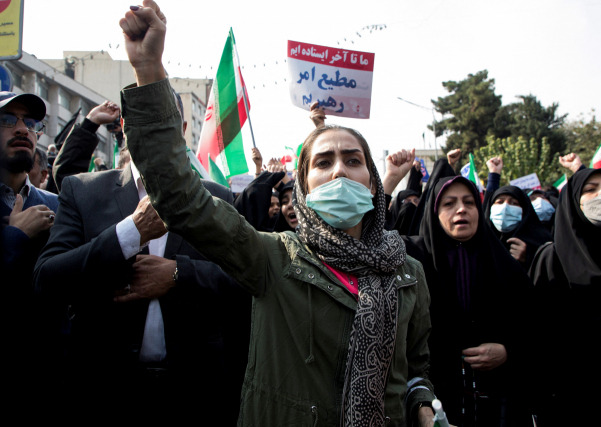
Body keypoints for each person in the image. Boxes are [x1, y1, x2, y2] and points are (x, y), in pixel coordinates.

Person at [119, 3, 436, 425]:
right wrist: (148, 69)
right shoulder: (272, 259)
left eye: (352, 159)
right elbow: (180, 196)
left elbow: (416, 368)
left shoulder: (408, 272)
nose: (339, 169)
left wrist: (423, 406)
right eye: (323, 163)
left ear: (375, 184)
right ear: (302, 189)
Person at [34, 85, 250, 424]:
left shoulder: (216, 197)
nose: (153, 132)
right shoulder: (83, 190)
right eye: (143, 119)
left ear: (182, 130)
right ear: (124, 125)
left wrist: (179, 274)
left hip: (195, 394)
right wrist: (130, 233)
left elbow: (246, 283)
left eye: (164, 122)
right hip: (103, 392)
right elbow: (49, 280)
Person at [382, 149, 535, 426]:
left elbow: (536, 326)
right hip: (433, 399)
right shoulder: (412, 254)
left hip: (499, 401)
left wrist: (507, 351)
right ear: (434, 211)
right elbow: (365, 241)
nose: (461, 209)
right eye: (449, 204)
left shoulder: (501, 261)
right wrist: (391, 181)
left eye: (469, 202)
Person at [528, 162, 601, 426]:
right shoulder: (553, 259)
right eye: (592, 189)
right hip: (579, 398)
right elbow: (538, 334)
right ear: (573, 202)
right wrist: (599, 330)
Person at [0, 91, 63, 413]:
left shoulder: (57, 205)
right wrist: (15, 236)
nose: (22, 129)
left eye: (30, 122)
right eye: (8, 120)